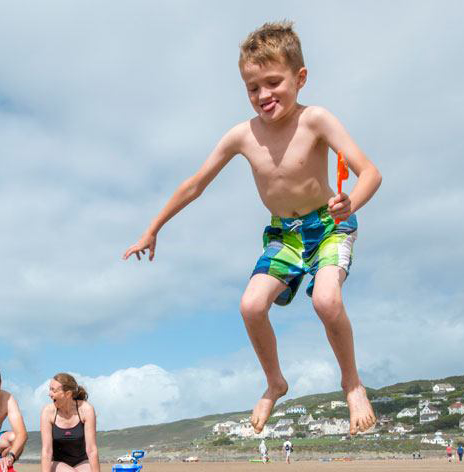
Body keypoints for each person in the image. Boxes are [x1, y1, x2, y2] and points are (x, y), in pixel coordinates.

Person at [122, 21, 381, 436]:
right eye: (252, 87)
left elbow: (370, 172)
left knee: (326, 301)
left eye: (273, 82)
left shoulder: (316, 120)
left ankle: (352, 384)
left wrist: (353, 200)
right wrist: (153, 228)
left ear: (300, 78)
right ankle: (275, 381)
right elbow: (195, 184)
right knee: (250, 306)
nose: (263, 95)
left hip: (329, 224)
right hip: (284, 234)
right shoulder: (242, 136)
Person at [33, 373, 108, 472]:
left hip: (80, 462)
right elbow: (47, 450)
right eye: (50, 389)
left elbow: (91, 448)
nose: (49, 394)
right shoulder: (48, 412)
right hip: (57, 463)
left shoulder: (86, 409)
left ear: (67, 394)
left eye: (53, 390)